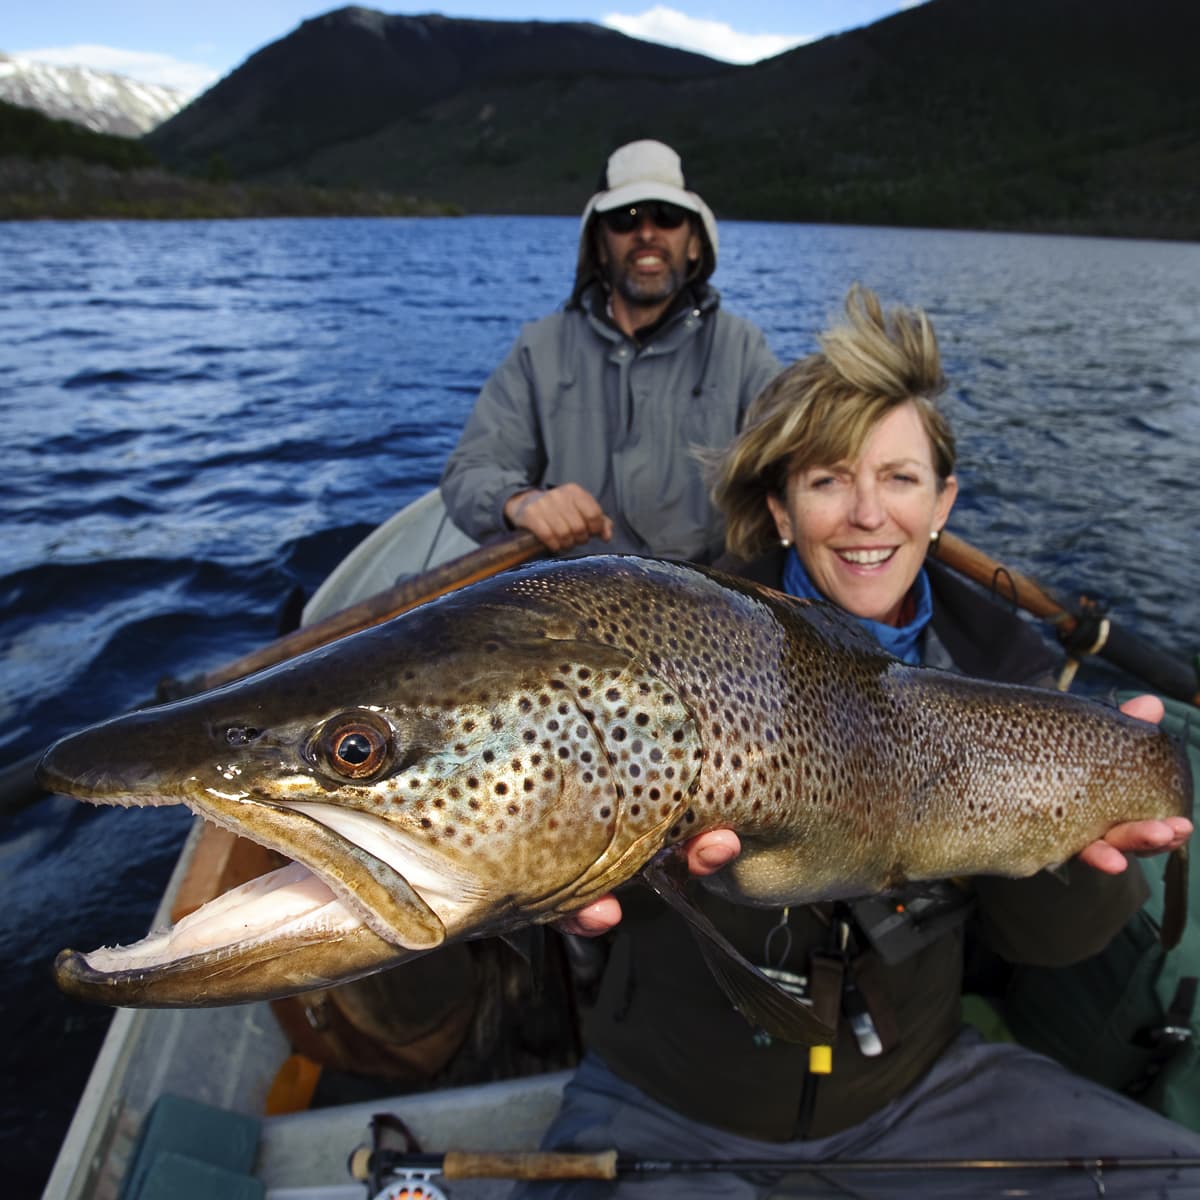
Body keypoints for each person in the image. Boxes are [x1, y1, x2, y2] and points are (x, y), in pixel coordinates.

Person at [519, 286, 1197, 1199]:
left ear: (942, 502)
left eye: (900, 478)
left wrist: (1079, 853)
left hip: (916, 1092)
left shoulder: (1011, 673)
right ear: (784, 509)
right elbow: (609, 896)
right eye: (830, 479)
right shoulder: (674, 651)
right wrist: (568, 881)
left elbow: (1048, 950)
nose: (867, 514)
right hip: (669, 1098)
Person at [440, 139, 781, 561]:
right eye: (625, 218)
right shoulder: (539, 348)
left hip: (709, 598)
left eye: (668, 216)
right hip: (577, 604)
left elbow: (797, 459)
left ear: (694, 242)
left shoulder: (741, 348)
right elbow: (469, 472)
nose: (647, 233)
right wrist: (520, 503)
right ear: (599, 245)